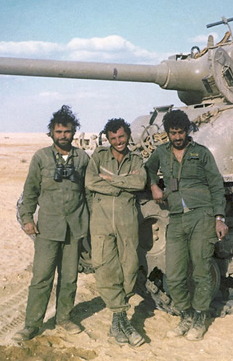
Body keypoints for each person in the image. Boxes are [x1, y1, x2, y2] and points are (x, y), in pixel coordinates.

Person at [145, 109, 228, 341]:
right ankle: (186, 315)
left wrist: (219, 218)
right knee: (173, 274)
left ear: (187, 131)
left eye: (181, 132)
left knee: (201, 271)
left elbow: (216, 184)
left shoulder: (201, 154)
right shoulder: (161, 152)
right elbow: (149, 168)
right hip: (177, 217)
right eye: (173, 132)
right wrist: (153, 185)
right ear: (168, 133)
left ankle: (200, 317)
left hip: (201, 215)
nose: (177, 137)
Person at [13, 105, 90, 341]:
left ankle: (64, 318)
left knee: (69, 278)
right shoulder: (41, 158)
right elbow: (30, 190)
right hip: (47, 227)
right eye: (59, 132)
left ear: (74, 132)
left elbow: (90, 193)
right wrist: (27, 218)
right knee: (41, 278)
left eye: (67, 131)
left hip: (75, 227)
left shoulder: (83, 158)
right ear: (51, 133)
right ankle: (32, 325)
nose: (63, 136)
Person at [85, 118, 147, 347]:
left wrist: (112, 179)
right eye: (113, 138)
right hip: (101, 222)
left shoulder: (137, 159)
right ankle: (121, 319)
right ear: (107, 139)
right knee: (105, 269)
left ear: (128, 135)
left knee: (129, 267)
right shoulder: (99, 157)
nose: (118, 142)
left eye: (121, 137)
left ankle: (117, 322)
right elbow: (91, 182)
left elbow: (139, 182)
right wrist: (123, 183)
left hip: (126, 221)